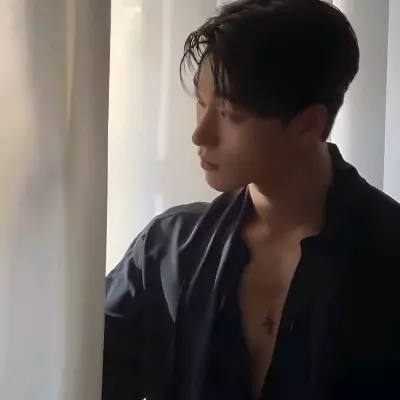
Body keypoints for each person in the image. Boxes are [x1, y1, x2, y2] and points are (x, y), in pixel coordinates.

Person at [102, 1, 400, 399]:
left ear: (308, 124)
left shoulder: (389, 253)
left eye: (230, 114)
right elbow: (77, 371)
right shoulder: (168, 249)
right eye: (201, 103)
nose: (201, 134)